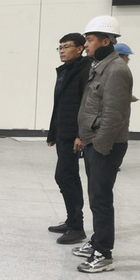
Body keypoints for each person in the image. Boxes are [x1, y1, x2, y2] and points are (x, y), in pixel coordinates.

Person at [72, 16, 133, 273]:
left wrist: (99, 146)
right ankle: (97, 240)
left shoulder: (116, 70)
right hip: (93, 141)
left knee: (101, 199)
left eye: (89, 40)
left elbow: (113, 115)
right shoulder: (100, 66)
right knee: (96, 197)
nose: (85, 45)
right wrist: (84, 137)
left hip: (105, 145)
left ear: (105, 41)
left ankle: (103, 253)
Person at [46, 33, 91, 245]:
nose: (62, 51)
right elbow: (60, 105)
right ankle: (72, 221)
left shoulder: (85, 70)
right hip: (63, 133)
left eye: (66, 47)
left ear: (80, 49)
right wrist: (52, 132)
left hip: (74, 135)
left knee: (64, 176)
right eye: (60, 47)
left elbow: (86, 106)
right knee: (69, 176)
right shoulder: (66, 70)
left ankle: (77, 227)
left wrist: (81, 135)